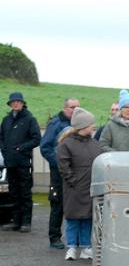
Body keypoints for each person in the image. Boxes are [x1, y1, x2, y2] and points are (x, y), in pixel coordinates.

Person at [57, 107, 105, 260]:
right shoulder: (66, 144)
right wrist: (73, 181)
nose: (93, 126)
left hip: (90, 188)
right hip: (74, 189)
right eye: (91, 124)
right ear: (83, 126)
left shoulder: (95, 144)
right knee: (72, 220)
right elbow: (63, 165)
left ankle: (86, 248)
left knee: (88, 219)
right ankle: (71, 248)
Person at [40, 97, 80, 249]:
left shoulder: (79, 125)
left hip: (75, 172)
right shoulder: (56, 124)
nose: (75, 110)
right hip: (58, 173)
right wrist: (59, 163)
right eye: (72, 107)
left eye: (78, 107)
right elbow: (45, 147)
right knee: (57, 204)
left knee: (75, 205)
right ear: (65, 108)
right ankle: (54, 238)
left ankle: (75, 238)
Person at [0, 92, 41, 233]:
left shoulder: (30, 119)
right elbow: (1, 138)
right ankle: (15, 222)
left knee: (25, 193)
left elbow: (36, 139)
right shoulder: (6, 120)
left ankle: (26, 222)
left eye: (18, 101)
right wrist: (5, 151)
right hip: (9, 162)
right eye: (13, 102)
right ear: (10, 104)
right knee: (13, 193)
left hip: (24, 162)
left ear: (23, 103)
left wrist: (21, 148)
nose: (16, 103)